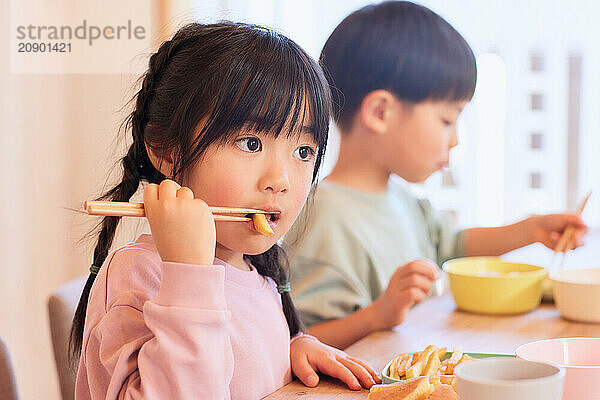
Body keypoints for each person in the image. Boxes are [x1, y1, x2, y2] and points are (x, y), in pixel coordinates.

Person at [70, 22, 380, 399]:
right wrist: (187, 273)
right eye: (251, 143)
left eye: (303, 152)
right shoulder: (141, 273)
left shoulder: (256, 270)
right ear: (167, 151)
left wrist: (290, 349)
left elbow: (240, 359)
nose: (280, 180)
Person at [284, 1, 587, 350]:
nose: (455, 139)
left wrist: (531, 230)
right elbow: (299, 341)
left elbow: (455, 247)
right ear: (381, 112)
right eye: (446, 120)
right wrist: (377, 315)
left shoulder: (402, 201)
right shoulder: (322, 219)